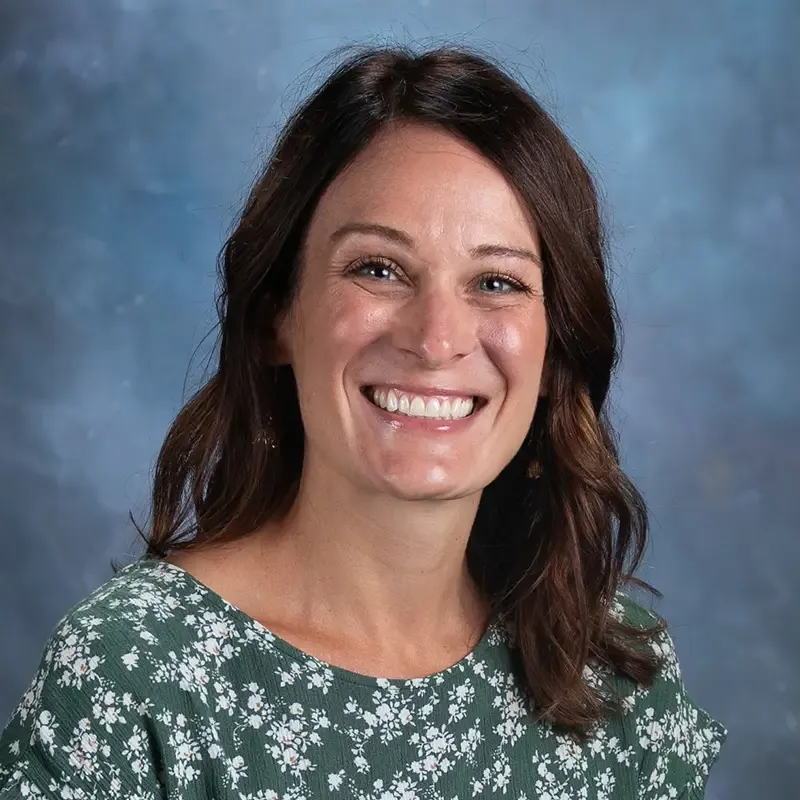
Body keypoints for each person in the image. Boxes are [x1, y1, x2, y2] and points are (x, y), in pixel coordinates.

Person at [0, 45, 726, 799]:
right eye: (378, 269)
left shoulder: (611, 670)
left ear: (554, 354)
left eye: (497, 282)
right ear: (281, 315)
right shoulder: (134, 674)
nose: (437, 337)